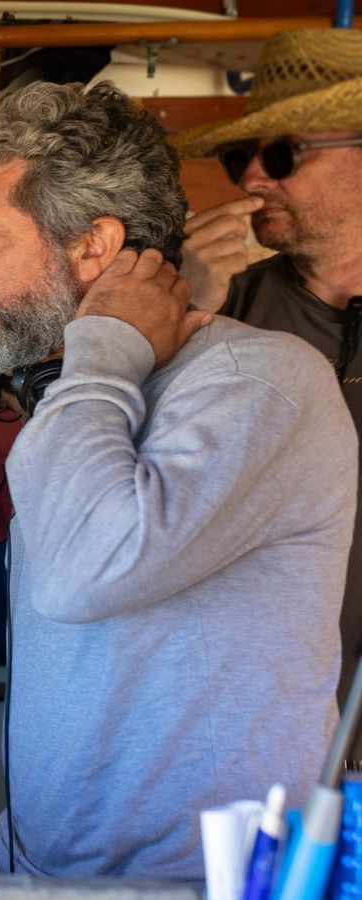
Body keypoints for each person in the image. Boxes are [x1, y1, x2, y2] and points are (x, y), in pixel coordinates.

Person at [0, 81, 355, 882]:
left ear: (95, 246)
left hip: (204, 881)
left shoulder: (260, 382)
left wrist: (103, 345)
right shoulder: (73, 394)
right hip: (47, 872)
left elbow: (84, 573)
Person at [173, 28, 362, 711]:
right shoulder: (225, 308)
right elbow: (152, 488)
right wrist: (186, 309)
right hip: (265, 708)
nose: (254, 179)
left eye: (284, 154)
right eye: (240, 158)